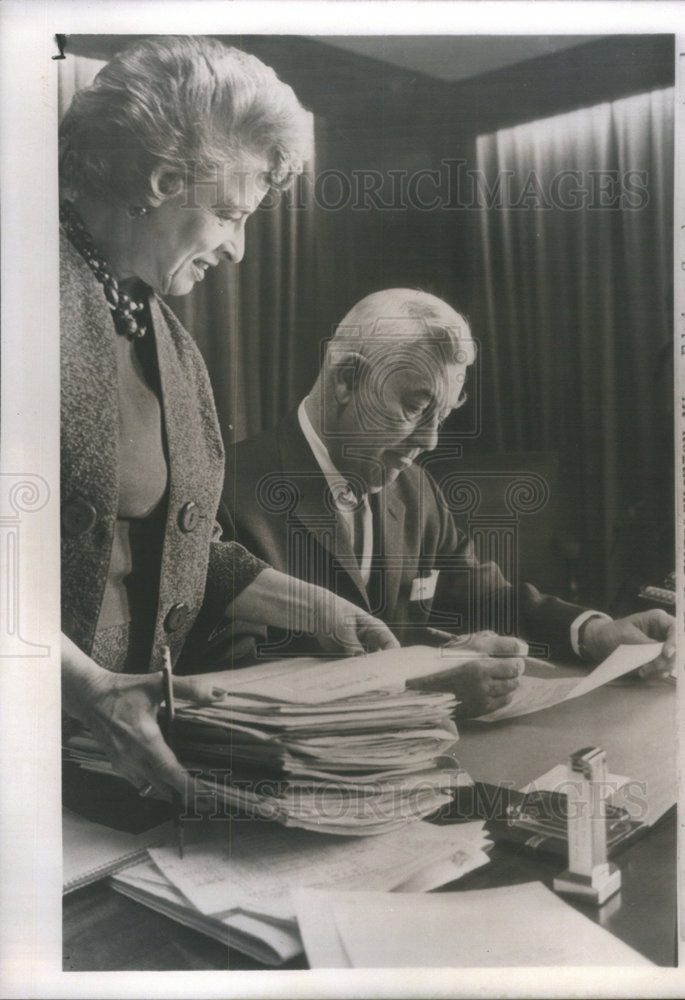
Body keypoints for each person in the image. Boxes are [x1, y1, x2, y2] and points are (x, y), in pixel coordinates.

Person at [59, 37, 398, 803]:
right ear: (161, 179)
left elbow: (177, 545)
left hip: (104, 766)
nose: (239, 249)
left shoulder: (158, 330)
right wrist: (85, 687)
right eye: (228, 214)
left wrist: (317, 608)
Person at [216, 289, 676, 717]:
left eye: (444, 415)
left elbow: (486, 598)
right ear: (346, 380)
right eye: (416, 408)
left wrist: (594, 632)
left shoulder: (414, 489)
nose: (431, 439)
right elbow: (232, 684)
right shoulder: (226, 495)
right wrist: (419, 689)